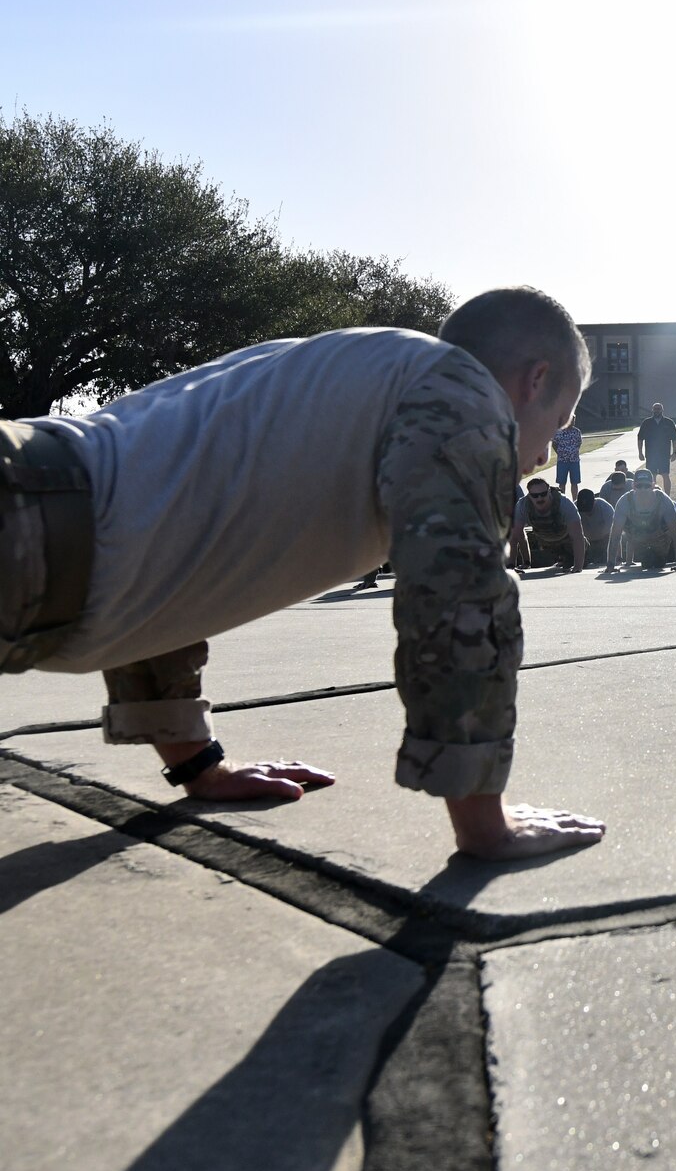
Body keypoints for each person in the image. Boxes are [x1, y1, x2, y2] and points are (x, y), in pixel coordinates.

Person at [1, 285, 604, 861]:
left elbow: (163, 556)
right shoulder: (462, 393)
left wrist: (197, 766)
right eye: (560, 423)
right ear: (536, 381)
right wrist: (486, 825)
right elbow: (459, 596)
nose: (548, 454)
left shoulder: (355, 373)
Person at [608, 468, 676, 570]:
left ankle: (665, 557)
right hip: (638, 541)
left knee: (659, 562)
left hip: (661, 541)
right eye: (639, 486)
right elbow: (615, 536)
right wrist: (610, 564)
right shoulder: (624, 502)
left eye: (647, 486)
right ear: (633, 486)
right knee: (647, 562)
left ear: (653, 486)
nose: (643, 489)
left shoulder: (664, 501)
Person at [510, 476, 588, 570]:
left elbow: (577, 536)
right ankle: (560, 558)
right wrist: (517, 565)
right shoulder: (523, 506)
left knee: (580, 560)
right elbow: (515, 536)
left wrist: (578, 567)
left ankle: (570, 558)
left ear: (549, 491)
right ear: (529, 496)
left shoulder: (564, 503)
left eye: (543, 494)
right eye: (535, 496)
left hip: (566, 540)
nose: (539, 498)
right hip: (544, 543)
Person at [636, 403, 676, 485]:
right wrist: (640, 453)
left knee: (665, 475)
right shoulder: (646, 422)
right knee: (652, 476)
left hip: (664, 454)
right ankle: (654, 495)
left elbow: (674, 439)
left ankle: (667, 496)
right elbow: (640, 438)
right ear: (652, 410)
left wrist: (674, 452)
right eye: (655, 409)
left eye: (659, 409)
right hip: (651, 454)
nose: (657, 411)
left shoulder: (669, 422)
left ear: (662, 410)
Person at [574, 487, 615, 567]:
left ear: (595, 501)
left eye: (589, 509)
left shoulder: (605, 508)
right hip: (585, 543)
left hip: (605, 541)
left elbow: (615, 532)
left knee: (603, 559)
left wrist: (617, 557)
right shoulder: (574, 507)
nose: (587, 513)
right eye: (583, 510)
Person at [550, 415, 584, 500]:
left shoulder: (577, 432)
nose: (572, 422)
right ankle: (563, 500)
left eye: (573, 420)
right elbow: (554, 444)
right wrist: (560, 453)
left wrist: (574, 452)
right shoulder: (558, 432)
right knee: (562, 483)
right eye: (570, 420)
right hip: (562, 461)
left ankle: (575, 500)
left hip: (574, 461)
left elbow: (579, 443)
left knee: (575, 482)